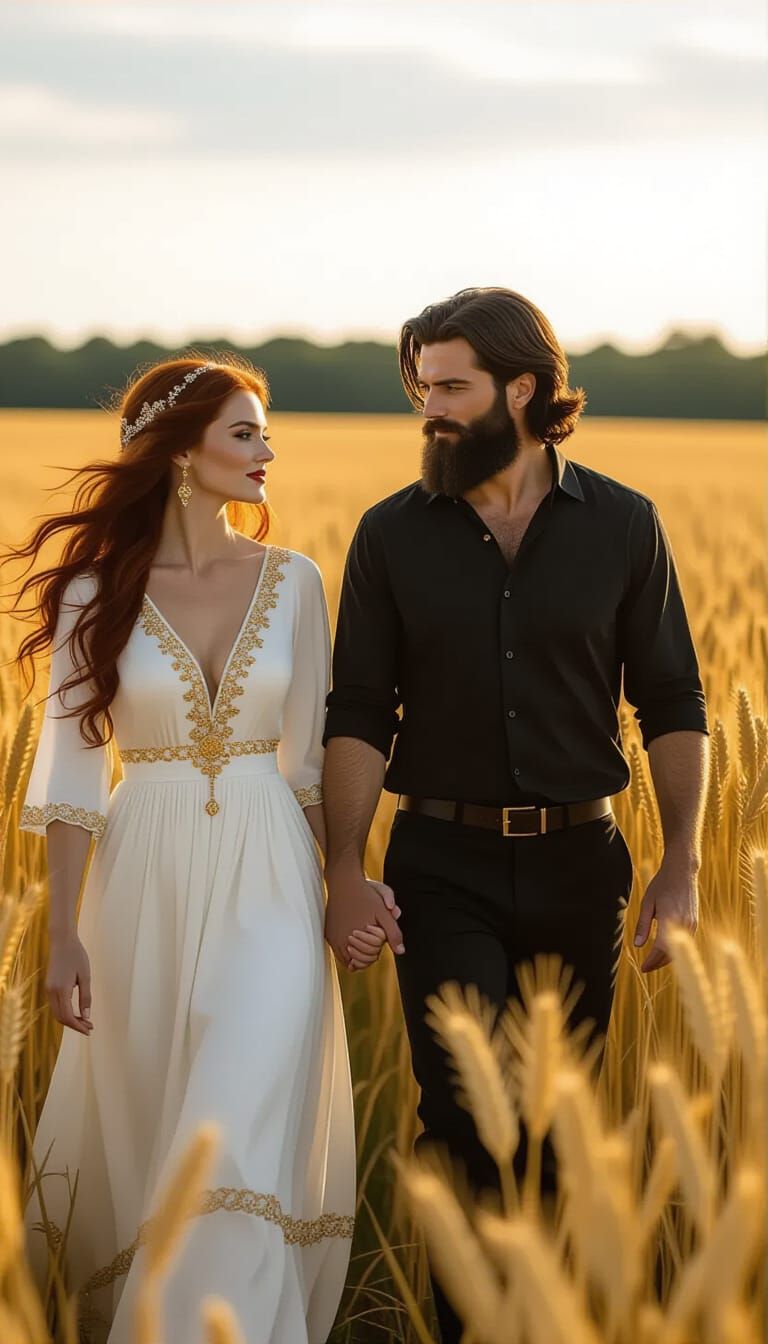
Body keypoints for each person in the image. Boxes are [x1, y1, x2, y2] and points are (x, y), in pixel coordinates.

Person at [321, 288, 710, 1343]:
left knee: (551, 1128)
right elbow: (359, 708)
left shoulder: (624, 524)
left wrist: (679, 866)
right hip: (438, 860)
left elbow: (671, 699)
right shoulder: (391, 536)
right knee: (461, 1116)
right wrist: (345, 869)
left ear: (524, 389)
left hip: (584, 862)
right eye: (421, 389)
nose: (430, 410)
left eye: (451, 386)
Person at [12, 354, 388, 1344]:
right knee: (166, 1147)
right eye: (245, 432)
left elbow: (313, 764)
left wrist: (346, 878)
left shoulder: (298, 581)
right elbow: (71, 781)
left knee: (234, 1141)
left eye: (265, 432)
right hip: (144, 884)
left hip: (272, 877)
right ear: (181, 454)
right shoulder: (96, 592)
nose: (269, 450)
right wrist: (61, 939)